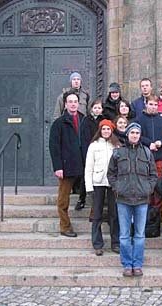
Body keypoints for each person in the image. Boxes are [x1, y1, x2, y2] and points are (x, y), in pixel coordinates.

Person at [107, 122, 158, 277]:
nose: (135, 135)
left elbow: (153, 175)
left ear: (140, 135)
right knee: (124, 235)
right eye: (132, 133)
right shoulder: (118, 153)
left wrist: (148, 189)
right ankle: (127, 264)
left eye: (137, 133)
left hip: (142, 199)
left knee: (139, 235)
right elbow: (111, 174)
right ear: (127, 135)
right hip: (123, 199)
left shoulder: (147, 153)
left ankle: (137, 264)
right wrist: (118, 188)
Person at [49, 90, 84, 238]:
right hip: (66, 165)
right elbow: (54, 146)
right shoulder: (59, 123)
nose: (73, 104)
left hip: (82, 165)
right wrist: (58, 167)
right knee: (63, 199)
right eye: (70, 102)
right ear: (65, 104)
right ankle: (65, 226)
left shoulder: (84, 120)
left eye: (75, 101)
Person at [85, 119, 121, 256]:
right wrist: (89, 187)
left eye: (108, 129)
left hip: (112, 183)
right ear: (100, 130)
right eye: (104, 129)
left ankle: (115, 242)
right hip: (97, 183)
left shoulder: (116, 145)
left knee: (114, 214)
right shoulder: (93, 146)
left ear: (112, 130)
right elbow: (89, 168)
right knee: (97, 215)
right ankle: (97, 243)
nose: (106, 131)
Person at [135, 95, 162, 216]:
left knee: (159, 185)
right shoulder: (139, 119)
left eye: (155, 105)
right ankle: (147, 212)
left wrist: (161, 142)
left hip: (160, 157)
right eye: (151, 104)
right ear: (146, 104)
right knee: (146, 185)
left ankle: (158, 212)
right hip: (144, 156)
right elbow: (137, 136)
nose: (153, 107)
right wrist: (148, 143)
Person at [75, 99, 105, 211]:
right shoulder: (86, 120)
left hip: (101, 151)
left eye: (99, 108)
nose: (97, 110)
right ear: (91, 108)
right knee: (86, 175)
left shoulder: (103, 120)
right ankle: (81, 199)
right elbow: (84, 137)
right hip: (88, 150)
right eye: (95, 107)